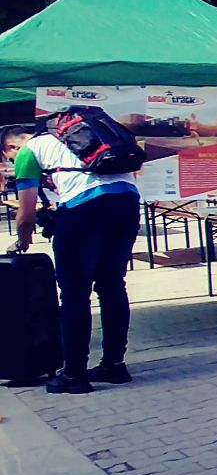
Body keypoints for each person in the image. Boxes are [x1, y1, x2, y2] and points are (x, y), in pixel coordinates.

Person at [10, 115, 142, 393]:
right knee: (112, 285)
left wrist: (23, 240)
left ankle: (74, 374)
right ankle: (114, 365)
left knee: (74, 293)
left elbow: (25, 214)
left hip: (84, 210)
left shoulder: (28, 151)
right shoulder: (89, 138)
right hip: (127, 202)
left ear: (11, 146)